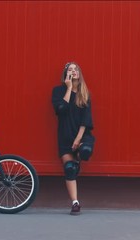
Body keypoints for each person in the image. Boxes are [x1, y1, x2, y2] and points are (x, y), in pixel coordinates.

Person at [51, 62, 95, 215]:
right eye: (70, 70)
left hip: (82, 135)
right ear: (65, 74)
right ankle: (75, 203)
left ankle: (79, 159)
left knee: (85, 151)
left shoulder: (85, 93)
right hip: (64, 137)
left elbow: (86, 120)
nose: (73, 71)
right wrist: (69, 88)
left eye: (76, 69)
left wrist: (78, 138)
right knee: (69, 169)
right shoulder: (58, 91)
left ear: (79, 73)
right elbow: (61, 109)